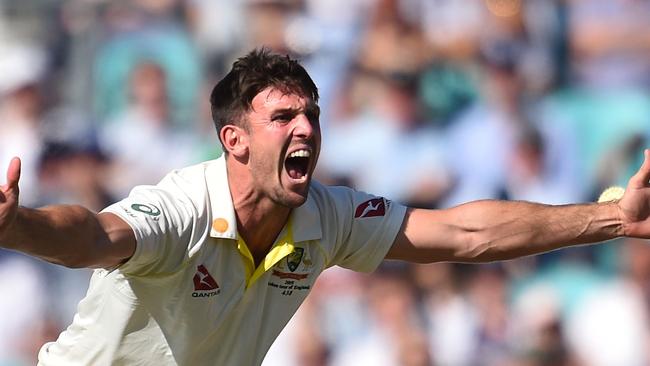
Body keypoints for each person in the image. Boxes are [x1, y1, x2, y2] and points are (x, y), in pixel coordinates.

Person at [0, 49, 649, 366]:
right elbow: (90, 235)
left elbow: (462, 231)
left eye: (311, 114)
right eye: (282, 117)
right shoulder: (181, 209)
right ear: (234, 139)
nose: (304, 128)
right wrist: (17, 224)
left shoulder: (327, 215)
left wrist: (614, 219)